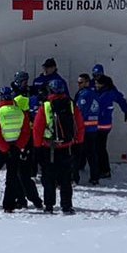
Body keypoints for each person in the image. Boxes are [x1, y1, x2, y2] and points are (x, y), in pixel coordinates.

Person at [33, 79, 84, 214]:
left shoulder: (46, 106)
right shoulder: (71, 104)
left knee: (48, 178)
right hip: (66, 147)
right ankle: (66, 206)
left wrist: (37, 147)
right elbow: (79, 125)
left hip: (49, 147)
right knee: (66, 178)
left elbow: (38, 129)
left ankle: (49, 206)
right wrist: (78, 142)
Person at [0, 87, 32, 213]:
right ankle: (9, 205)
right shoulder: (21, 112)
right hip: (15, 148)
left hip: (0, 149)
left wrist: (4, 148)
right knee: (12, 178)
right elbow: (26, 132)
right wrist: (17, 147)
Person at [85, 74, 127, 184]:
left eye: (97, 83)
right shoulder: (99, 92)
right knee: (99, 148)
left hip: (103, 126)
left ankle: (105, 170)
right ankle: (102, 169)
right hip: (98, 125)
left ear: (103, 84)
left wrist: (126, 111)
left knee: (99, 148)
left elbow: (121, 100)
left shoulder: (109, 93)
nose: (95, 85)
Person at [70, 73, 95, 184]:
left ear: (87, 82)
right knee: (92, 154)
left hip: (84, 128)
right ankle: (94, 176)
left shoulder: (84, 95)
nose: (79, 84)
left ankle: (75, 178)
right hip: (93, 128)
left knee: (77, 154)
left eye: (81, 82)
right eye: (78, 82)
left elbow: (79, 112)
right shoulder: (94, 93)